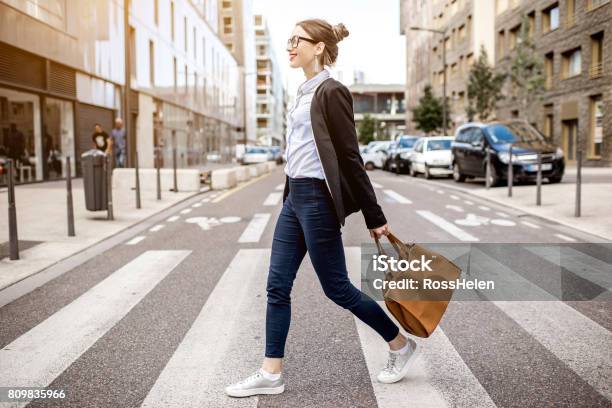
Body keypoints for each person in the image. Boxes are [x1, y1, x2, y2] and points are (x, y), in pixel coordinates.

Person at [225, 19, 420, 398]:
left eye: (297, 39)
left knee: (337, 289)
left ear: (319, 47)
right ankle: (271, 372)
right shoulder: (302, 90)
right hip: (293, 199)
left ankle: (400, 344)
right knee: (276, 285)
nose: (290, 45)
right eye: (289, 39)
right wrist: (287, 195)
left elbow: (350, 156)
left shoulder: (332, 91)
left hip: (316, 200)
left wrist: (374, 216)